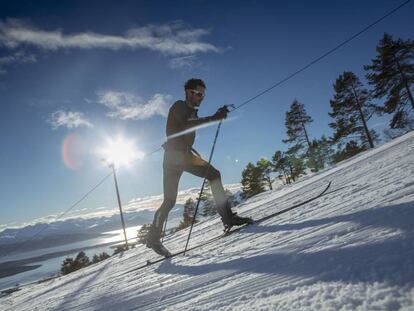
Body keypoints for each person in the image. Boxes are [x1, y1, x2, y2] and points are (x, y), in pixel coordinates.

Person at [146, 78, 253, 257]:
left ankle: (153, 238)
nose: (201, 98)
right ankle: (228, 218)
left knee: (170, 201)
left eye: (203, 95)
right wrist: (214, 117)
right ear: (188, 91)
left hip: (175, 157)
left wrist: (217, 114)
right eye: (199, 94)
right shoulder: (179, 106)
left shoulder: (191, 111)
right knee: (214, 175)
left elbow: (192, 122)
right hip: (178, 157)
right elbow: (188, 124)